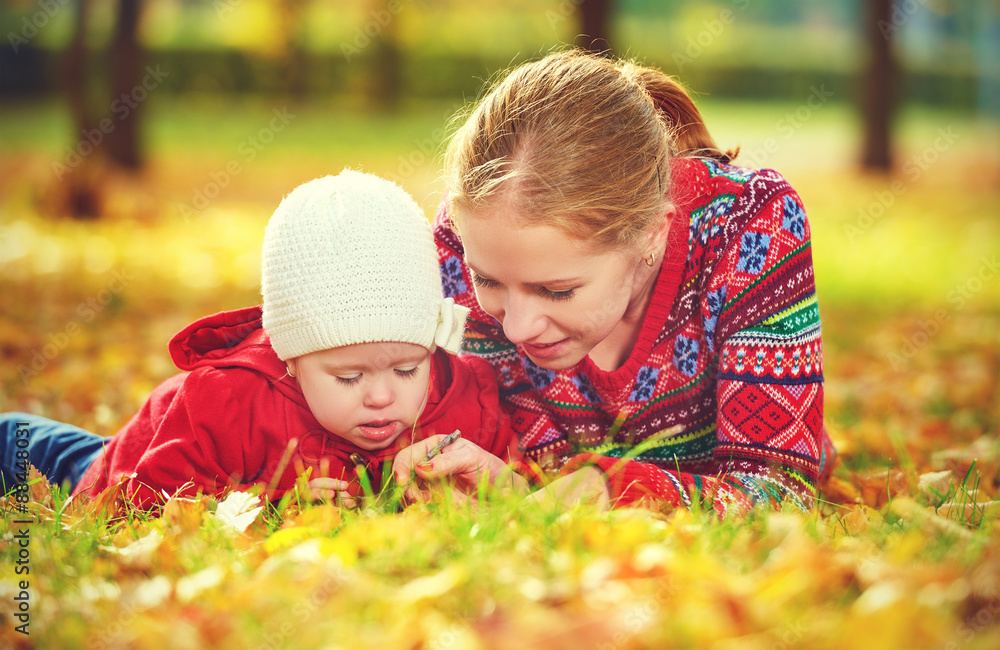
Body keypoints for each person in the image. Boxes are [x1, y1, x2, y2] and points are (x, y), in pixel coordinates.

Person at [396, 50, 836, 516]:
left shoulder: (751, 224)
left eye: (557, 290)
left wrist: (611, 488)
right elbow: (514, 446)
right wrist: (496, 477)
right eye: (488, 281)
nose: (516, 329)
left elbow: (780, 492)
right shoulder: (470, 231)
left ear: (652, 234)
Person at [1, 170, 518, 510]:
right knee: (49, 454)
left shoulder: (463, 396)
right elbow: (147, 502)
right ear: (290, 360)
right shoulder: (226, 400)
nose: (382, 396)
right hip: (126, 463)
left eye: (407, 369)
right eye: (348, 376)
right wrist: (266, 506)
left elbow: (515, 475)